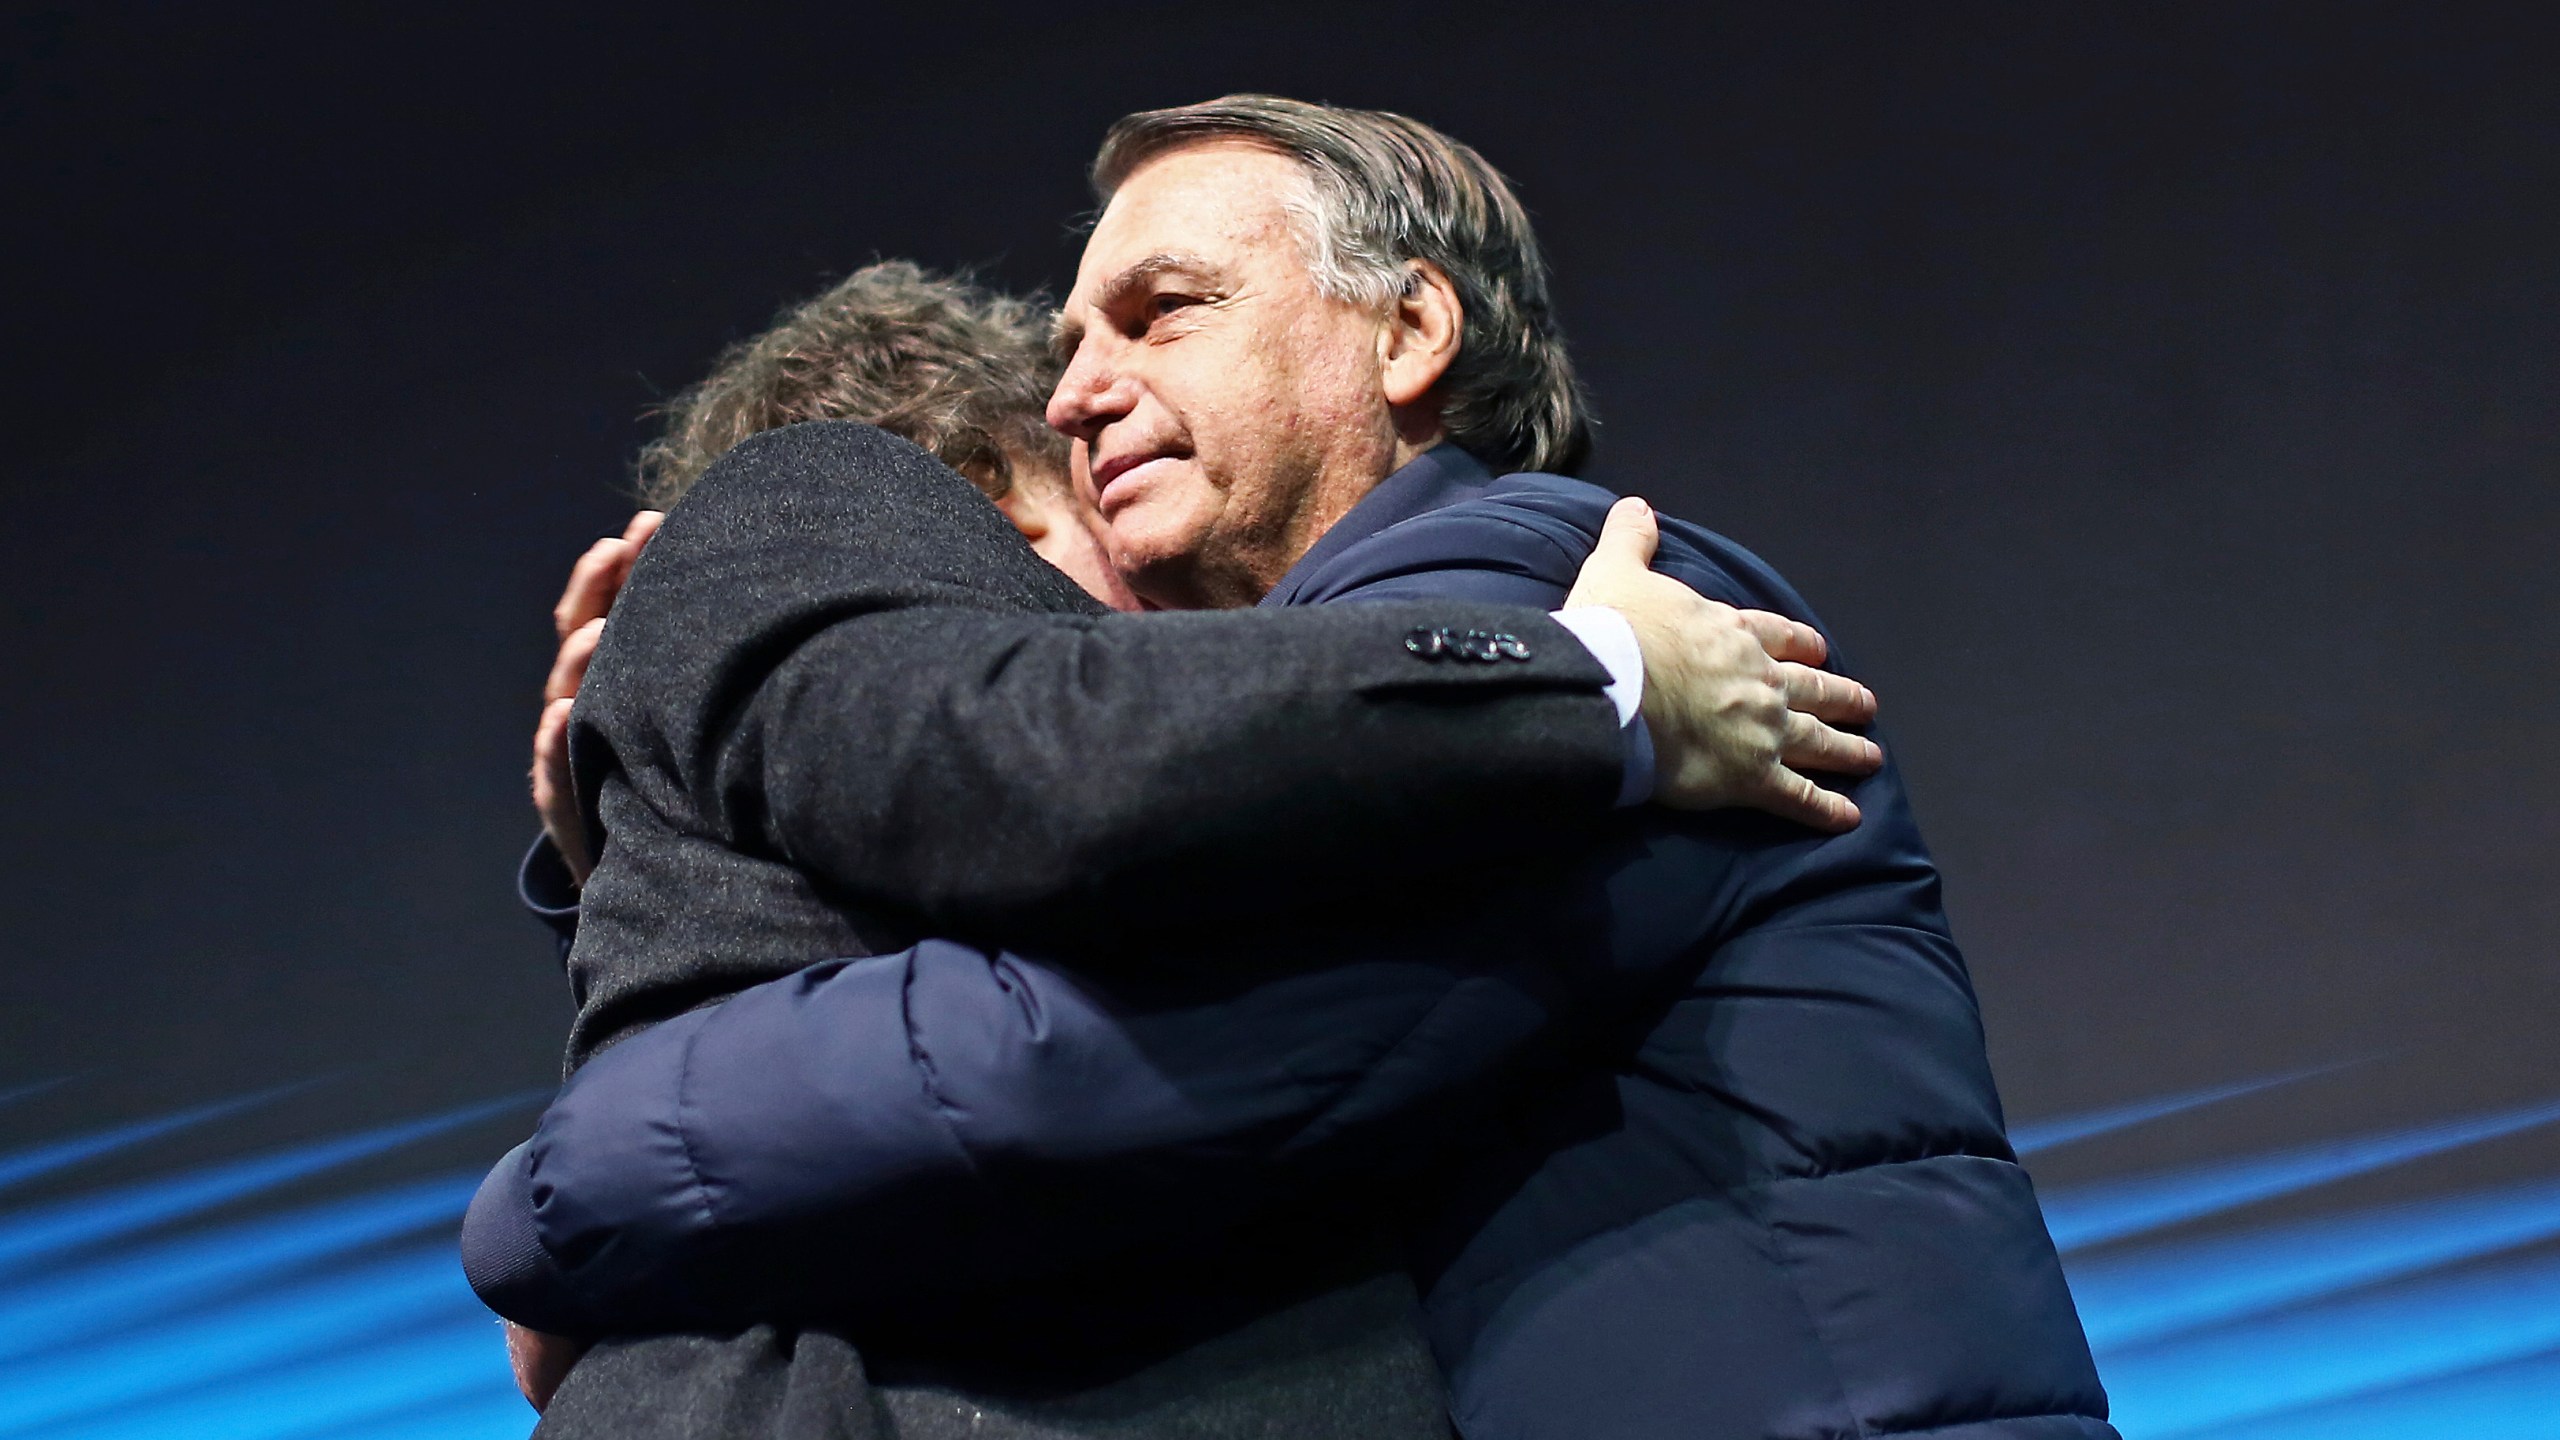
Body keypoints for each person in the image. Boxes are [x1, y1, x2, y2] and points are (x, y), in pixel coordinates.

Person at [478, 95, 2113, 1439]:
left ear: (1408, 331)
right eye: (1066, 343)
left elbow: (1092, 1061)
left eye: (1163, 311)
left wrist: (568, 1189)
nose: (1076, 393)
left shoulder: (1567, 594)